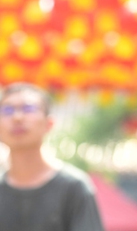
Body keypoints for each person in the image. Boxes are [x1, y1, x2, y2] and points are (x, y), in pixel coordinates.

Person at [0, 82, 105, 231]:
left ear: (49, 124)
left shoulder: (74, 188)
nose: (17, 117)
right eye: (7, 110)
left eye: (28, 108)